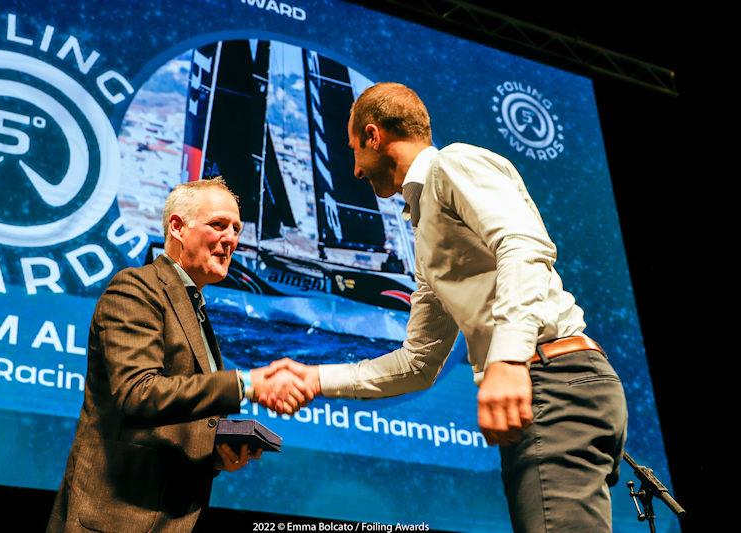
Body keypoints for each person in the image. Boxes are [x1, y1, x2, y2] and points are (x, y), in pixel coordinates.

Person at [262, 83, 628, 532]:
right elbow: (418, 363)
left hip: (552, 380)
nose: (355, 169)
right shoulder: (426, 232)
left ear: (374, 136)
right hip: (555, 385)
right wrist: (316, 378)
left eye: (354, 149)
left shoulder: (451, 165)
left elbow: (523, 244)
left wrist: (508, 358)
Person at [48, 178, 311, 532]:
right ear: (177, 227)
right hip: (117, 519)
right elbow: (138, 393)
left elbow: (178, 421)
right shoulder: (136, 288)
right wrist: (246, 383)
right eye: (218, 225)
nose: (231, 238)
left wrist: (216, 452)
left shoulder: (195, 307)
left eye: (236, 229)